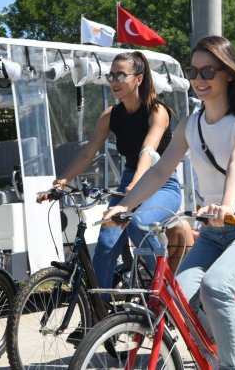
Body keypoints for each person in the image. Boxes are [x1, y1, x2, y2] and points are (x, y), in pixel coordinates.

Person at [104, 36, 235, 369]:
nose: (199, 80)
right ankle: (221, 352)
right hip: (214, 234)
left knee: (216, 287)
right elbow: (159, 171)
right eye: (193, 72)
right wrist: (125, 205)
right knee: (178, 298)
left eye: (208, 72)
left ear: (228, 73)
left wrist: (226, 206)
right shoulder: (191, 124)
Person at [37, 50, 184, 290]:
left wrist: (136, 183)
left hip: (162, 183)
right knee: (105, 244)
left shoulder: (157, 111)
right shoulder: (110, 116)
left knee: (137, 223)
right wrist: (60, 182)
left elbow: (148, 150)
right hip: (129, 181)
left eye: (120, 75)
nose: (114, 81)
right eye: (111, 75)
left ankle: (165, 290)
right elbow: (87, 153)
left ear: (138, 78)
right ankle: (99, 316)